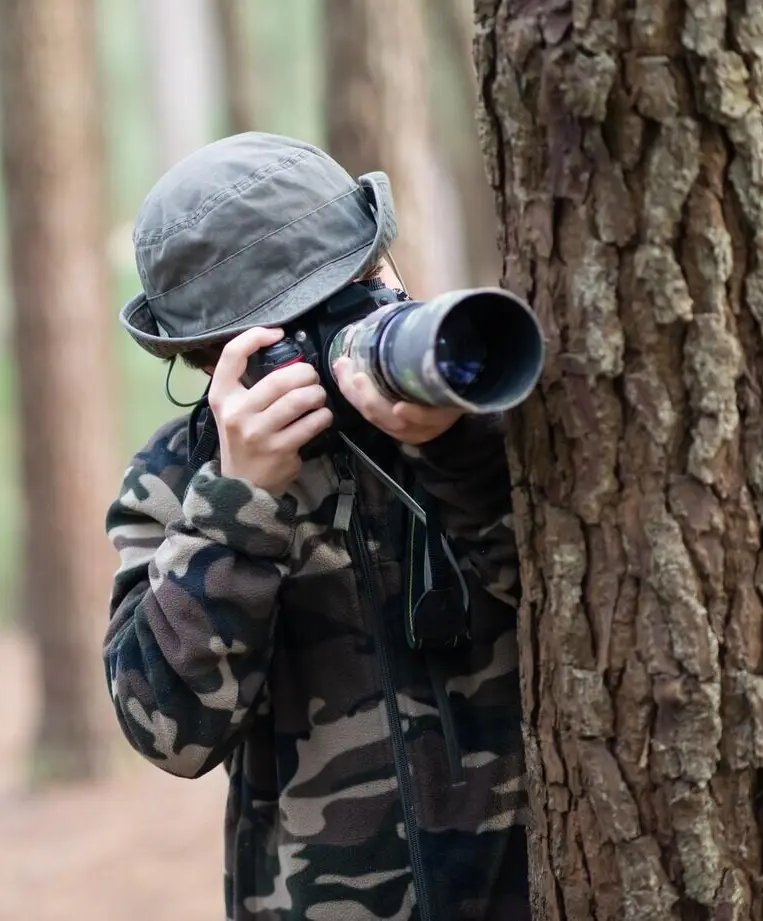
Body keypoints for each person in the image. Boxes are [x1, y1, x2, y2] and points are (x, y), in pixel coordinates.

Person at [103, 132, 527, 921]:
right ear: (209, 361)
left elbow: (588, 608)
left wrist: (461, 447)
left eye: (360, 284)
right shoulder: (176, 478)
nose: (346, 327)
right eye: (298, 323)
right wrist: (238, 506)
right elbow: (170, 732)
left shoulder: (479, 377)